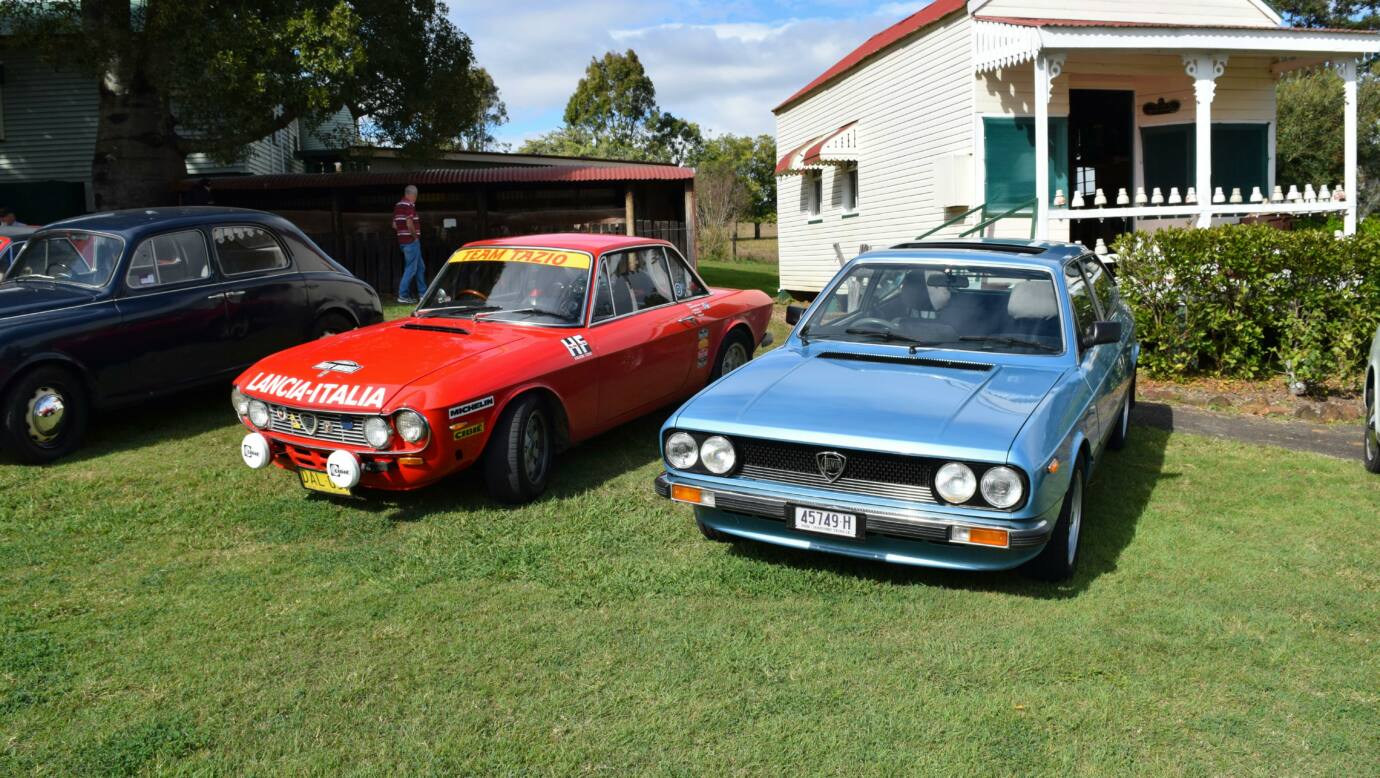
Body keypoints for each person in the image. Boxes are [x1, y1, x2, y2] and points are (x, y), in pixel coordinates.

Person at [394, 185, 426, 304]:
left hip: (402, 241)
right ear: (412, 195)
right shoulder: (409, 205)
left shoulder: (398, 206)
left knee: (420, 268)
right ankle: (403, 295)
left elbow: (394, 224)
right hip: (411, 242)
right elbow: (409, 223)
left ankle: (423, 294)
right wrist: (415, 237)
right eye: (415, 197)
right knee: (411, 269)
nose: (415, 199)